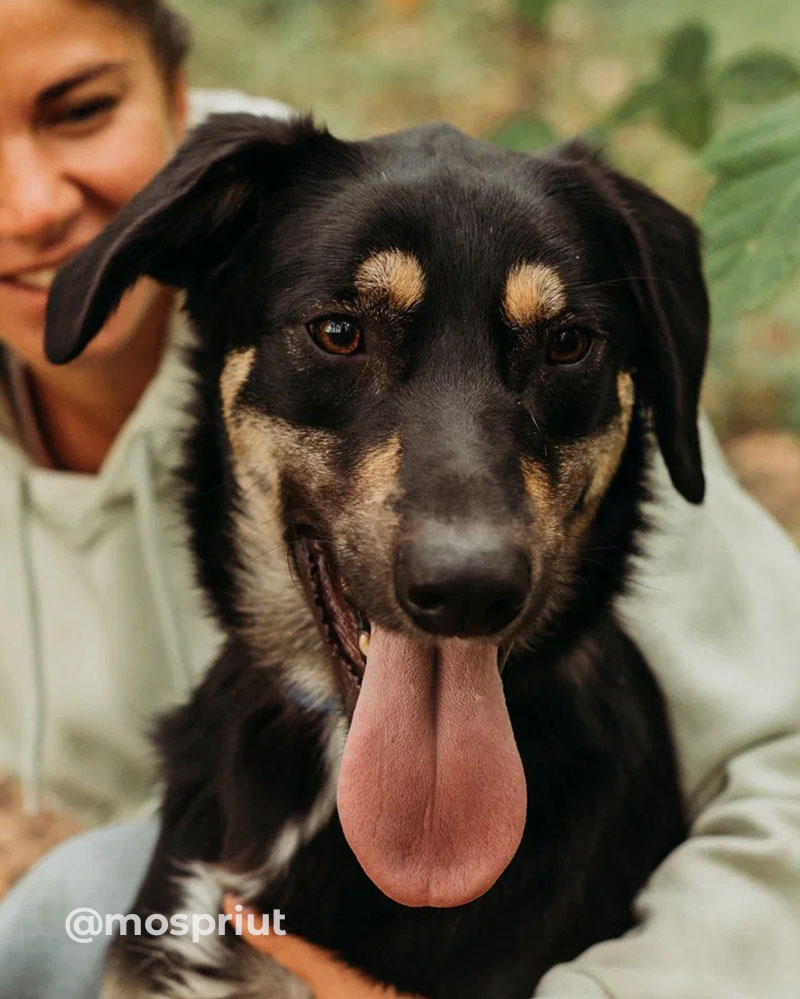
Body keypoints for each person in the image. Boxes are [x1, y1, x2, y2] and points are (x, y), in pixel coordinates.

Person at [0, 1, 799, 998]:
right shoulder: (251, 216)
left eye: (558, 348)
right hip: (213, 820)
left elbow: (786, 756)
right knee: (56, 911)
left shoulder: (444, 218)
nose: (28, 205)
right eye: (341, 337)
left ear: (174, 93)